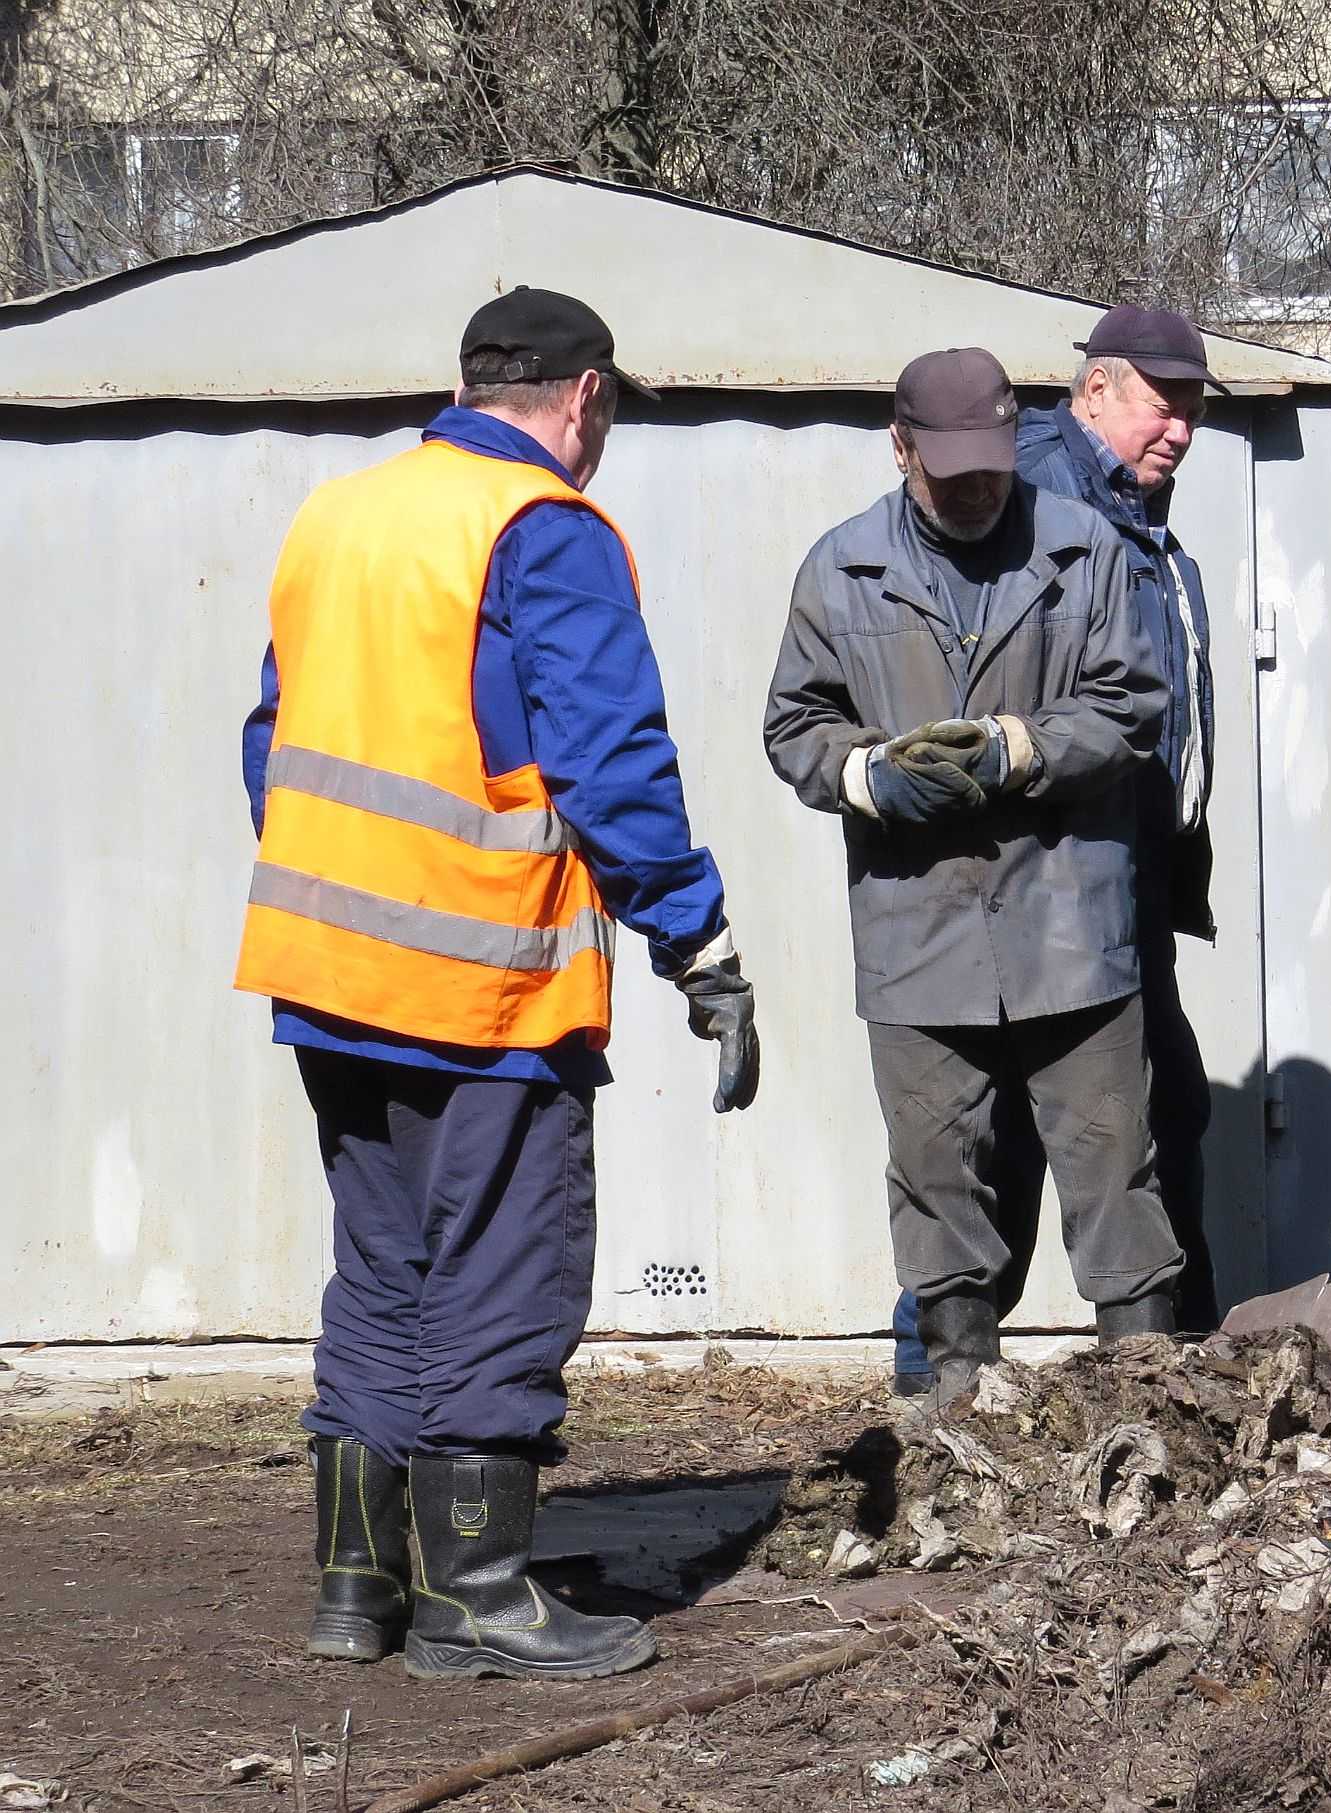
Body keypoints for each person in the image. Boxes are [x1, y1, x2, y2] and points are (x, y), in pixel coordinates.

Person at [237, 287, 759, 1681]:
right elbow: (611, 764)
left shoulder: (340, 518)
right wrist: (696, 943)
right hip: (482, 979)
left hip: (325, 969)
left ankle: (357, 1588)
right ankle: (476, 1593)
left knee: (383, 1267)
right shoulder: (545, 531)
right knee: (501, 1268)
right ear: (584, 398)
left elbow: (268, 741)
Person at [765, 346, 1183, 1406]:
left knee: (1112, 1175)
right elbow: (794, 725)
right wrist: (868, 776)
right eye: (949, 469)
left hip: (1070, 926)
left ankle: (1142, 1412)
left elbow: (1132, 706)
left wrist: (1021, 750)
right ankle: (957, 1415)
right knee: (937, 1181)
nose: (978, 486)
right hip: (918, 933)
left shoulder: (1083, 549)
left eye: (992, 463)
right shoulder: (839, 567)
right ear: (899, 449)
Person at [885, 306, 1226, 1390]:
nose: (1178, 429)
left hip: (1117, 874)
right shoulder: (1040, 497)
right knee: (1003, 1141)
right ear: (1095, 392)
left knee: (1143, 1116)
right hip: (1045, 880)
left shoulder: (1126, 507)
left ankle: (1160, 1378)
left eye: (1195, 410)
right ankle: (943, 1389)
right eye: (1162, 405)